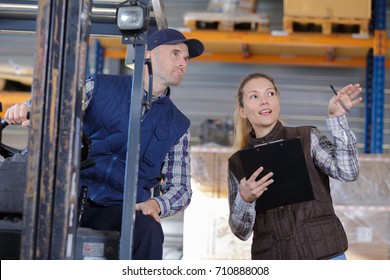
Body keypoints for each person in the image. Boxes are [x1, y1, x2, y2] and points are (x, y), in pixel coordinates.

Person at [4, 28, 204, 260]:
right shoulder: (97, 86)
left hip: (118, 209)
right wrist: (30, 109)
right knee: (14, 219)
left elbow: (180, 188)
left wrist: (156, 204)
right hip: (67, 196)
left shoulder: (178, 125)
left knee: (148, 229)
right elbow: (57, 104)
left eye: (186, 59)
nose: (183, 63)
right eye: (176, 54)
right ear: (148, 54)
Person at [227, 72, 362, 260]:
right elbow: (240, 232)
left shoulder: (307, 138)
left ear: (278, 102)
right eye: (254, 96)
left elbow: (348, 172)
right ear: (242, 111)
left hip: (324, 256)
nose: (264, 101)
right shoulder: (238, 163)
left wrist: (337, 119)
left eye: (270, 94)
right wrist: (245, 199)